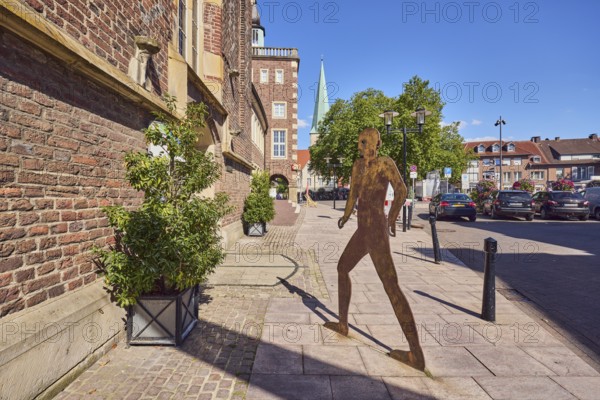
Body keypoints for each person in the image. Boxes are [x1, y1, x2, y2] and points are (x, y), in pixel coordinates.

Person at [324, 128, 425, 371]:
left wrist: (392, 218)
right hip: (362, 231)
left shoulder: (385, 163)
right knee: (342, 268)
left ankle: (416, 354)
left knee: (390, 285)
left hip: (377, 231)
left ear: (376, 143)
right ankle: (343, 324)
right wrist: (346, 216)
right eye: (359, 142)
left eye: (363, 142)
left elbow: (401, 190)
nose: (360, 146)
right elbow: (352, 195)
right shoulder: (358, 166)